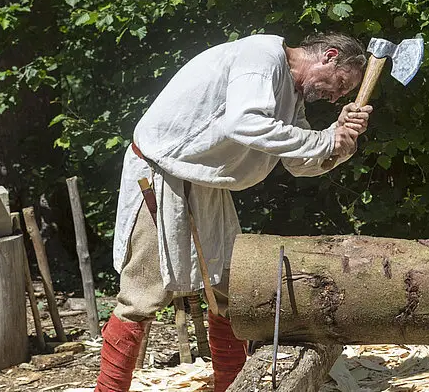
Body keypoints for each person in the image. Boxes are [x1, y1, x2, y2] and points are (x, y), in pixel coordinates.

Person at [95, 32, 372, 392]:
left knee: (227, 291)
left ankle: (230, 386)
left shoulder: (292, 93)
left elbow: (298, 162)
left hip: (206, 185)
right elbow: (244, 123)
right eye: (340, 84)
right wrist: (324, 139)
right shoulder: (262, 56)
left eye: (343, 95)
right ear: (329, 56)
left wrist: (341, 141)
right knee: (142, 296)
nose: (336, 96)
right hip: (160, 173)